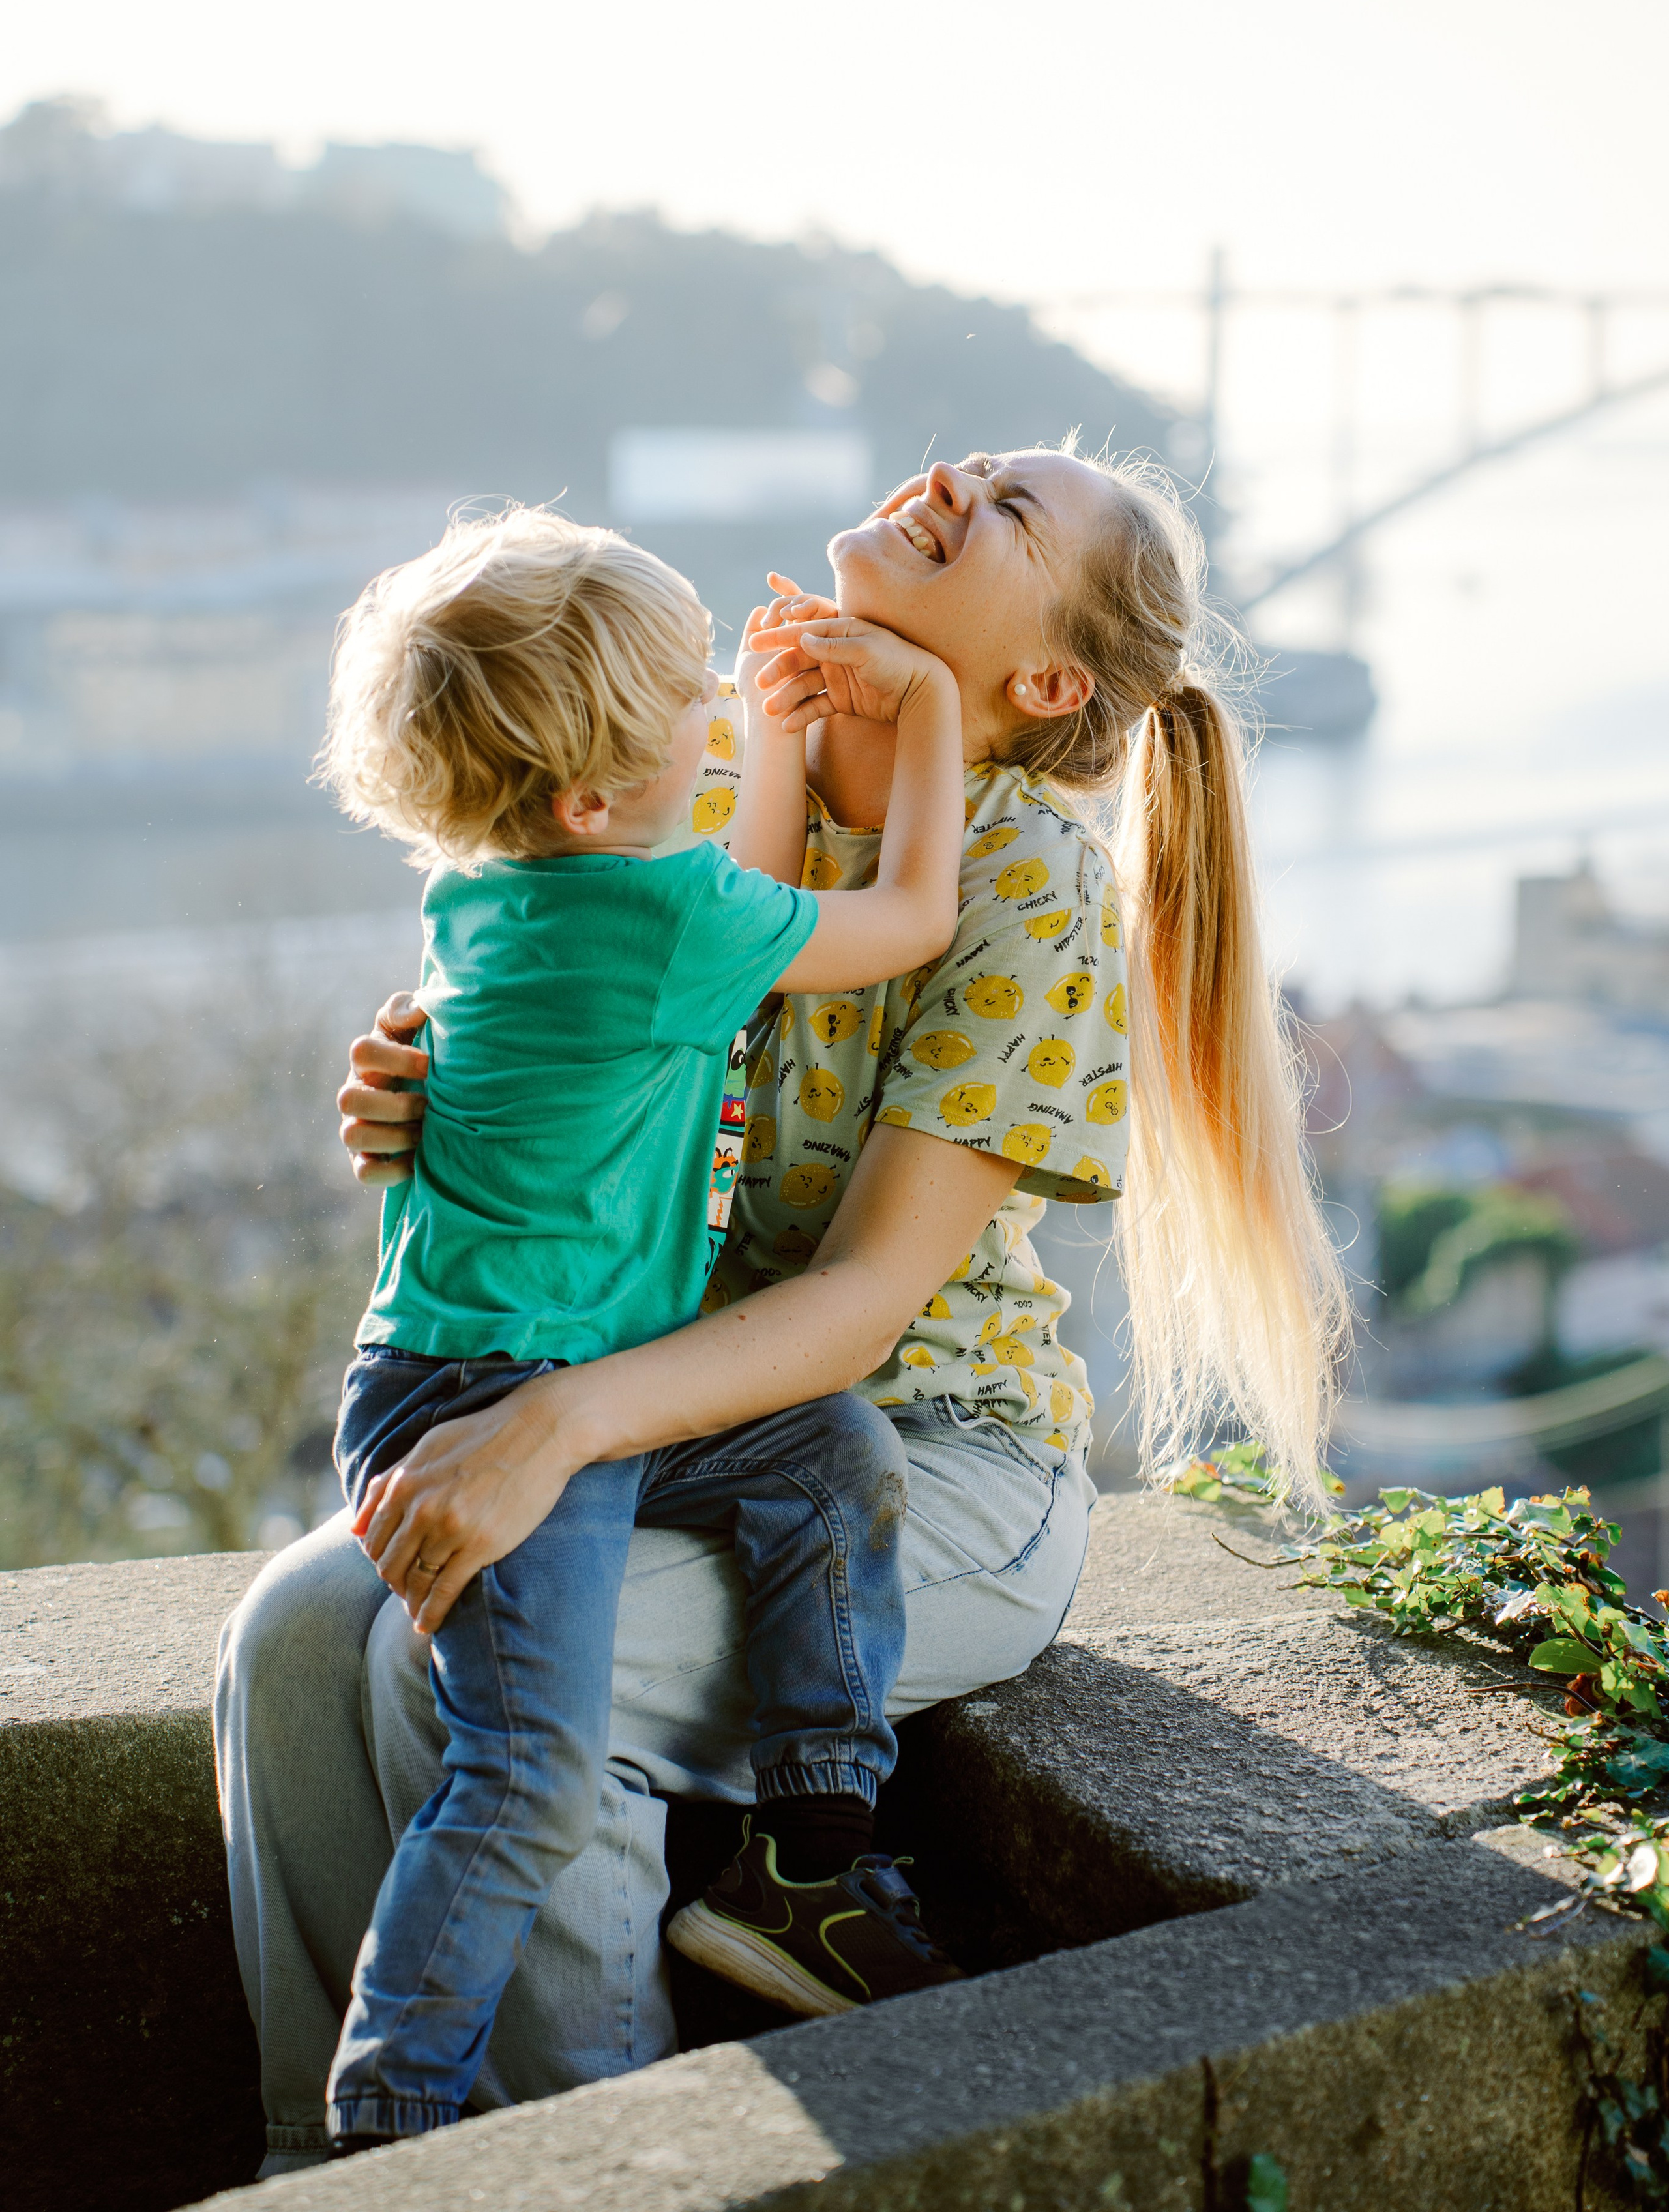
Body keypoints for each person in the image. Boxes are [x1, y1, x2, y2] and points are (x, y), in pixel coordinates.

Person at [215, 444, 1348, 2180]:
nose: (962, 476)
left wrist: (554, 1424)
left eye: (1019, 511)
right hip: (662, 1423)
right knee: (295, 1639)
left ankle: (592, 2172)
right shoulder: (718, 754)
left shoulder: (1025, 890)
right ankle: (341, 2170)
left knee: (512, 1688)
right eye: (978, 457)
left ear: (1044, 683)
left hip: (919, 1474)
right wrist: (416, 1092)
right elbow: (561, 1048)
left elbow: (859, 1308)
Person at [310, 509, 969, 2145]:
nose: (719, 717)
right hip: (502, 1398)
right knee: (528, 1771)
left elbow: (722, 884)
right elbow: (906, 922)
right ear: (589, 799)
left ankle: (811, 1841)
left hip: (486, 1371)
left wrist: (767, 732)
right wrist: (933, 722)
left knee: (825, 1448)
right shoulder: (666, 921)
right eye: (693, 702)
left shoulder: (505, 889)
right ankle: (388, 2113)